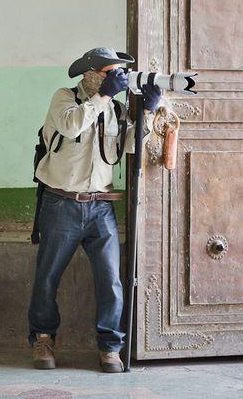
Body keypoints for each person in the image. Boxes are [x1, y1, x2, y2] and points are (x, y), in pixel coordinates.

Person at [28, 47, 161, 373]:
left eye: (117, 74)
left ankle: (110, 347)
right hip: (61, 203)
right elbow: (72, 126)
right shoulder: (64, 99)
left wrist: (149, 114)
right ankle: (43, 338)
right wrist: (102, 96)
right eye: (109, 73)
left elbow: (128, 147)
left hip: (100, 207)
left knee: (111, 280)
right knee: (47, 277)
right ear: (89, 73)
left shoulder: (114, 108)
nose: (116, 79)